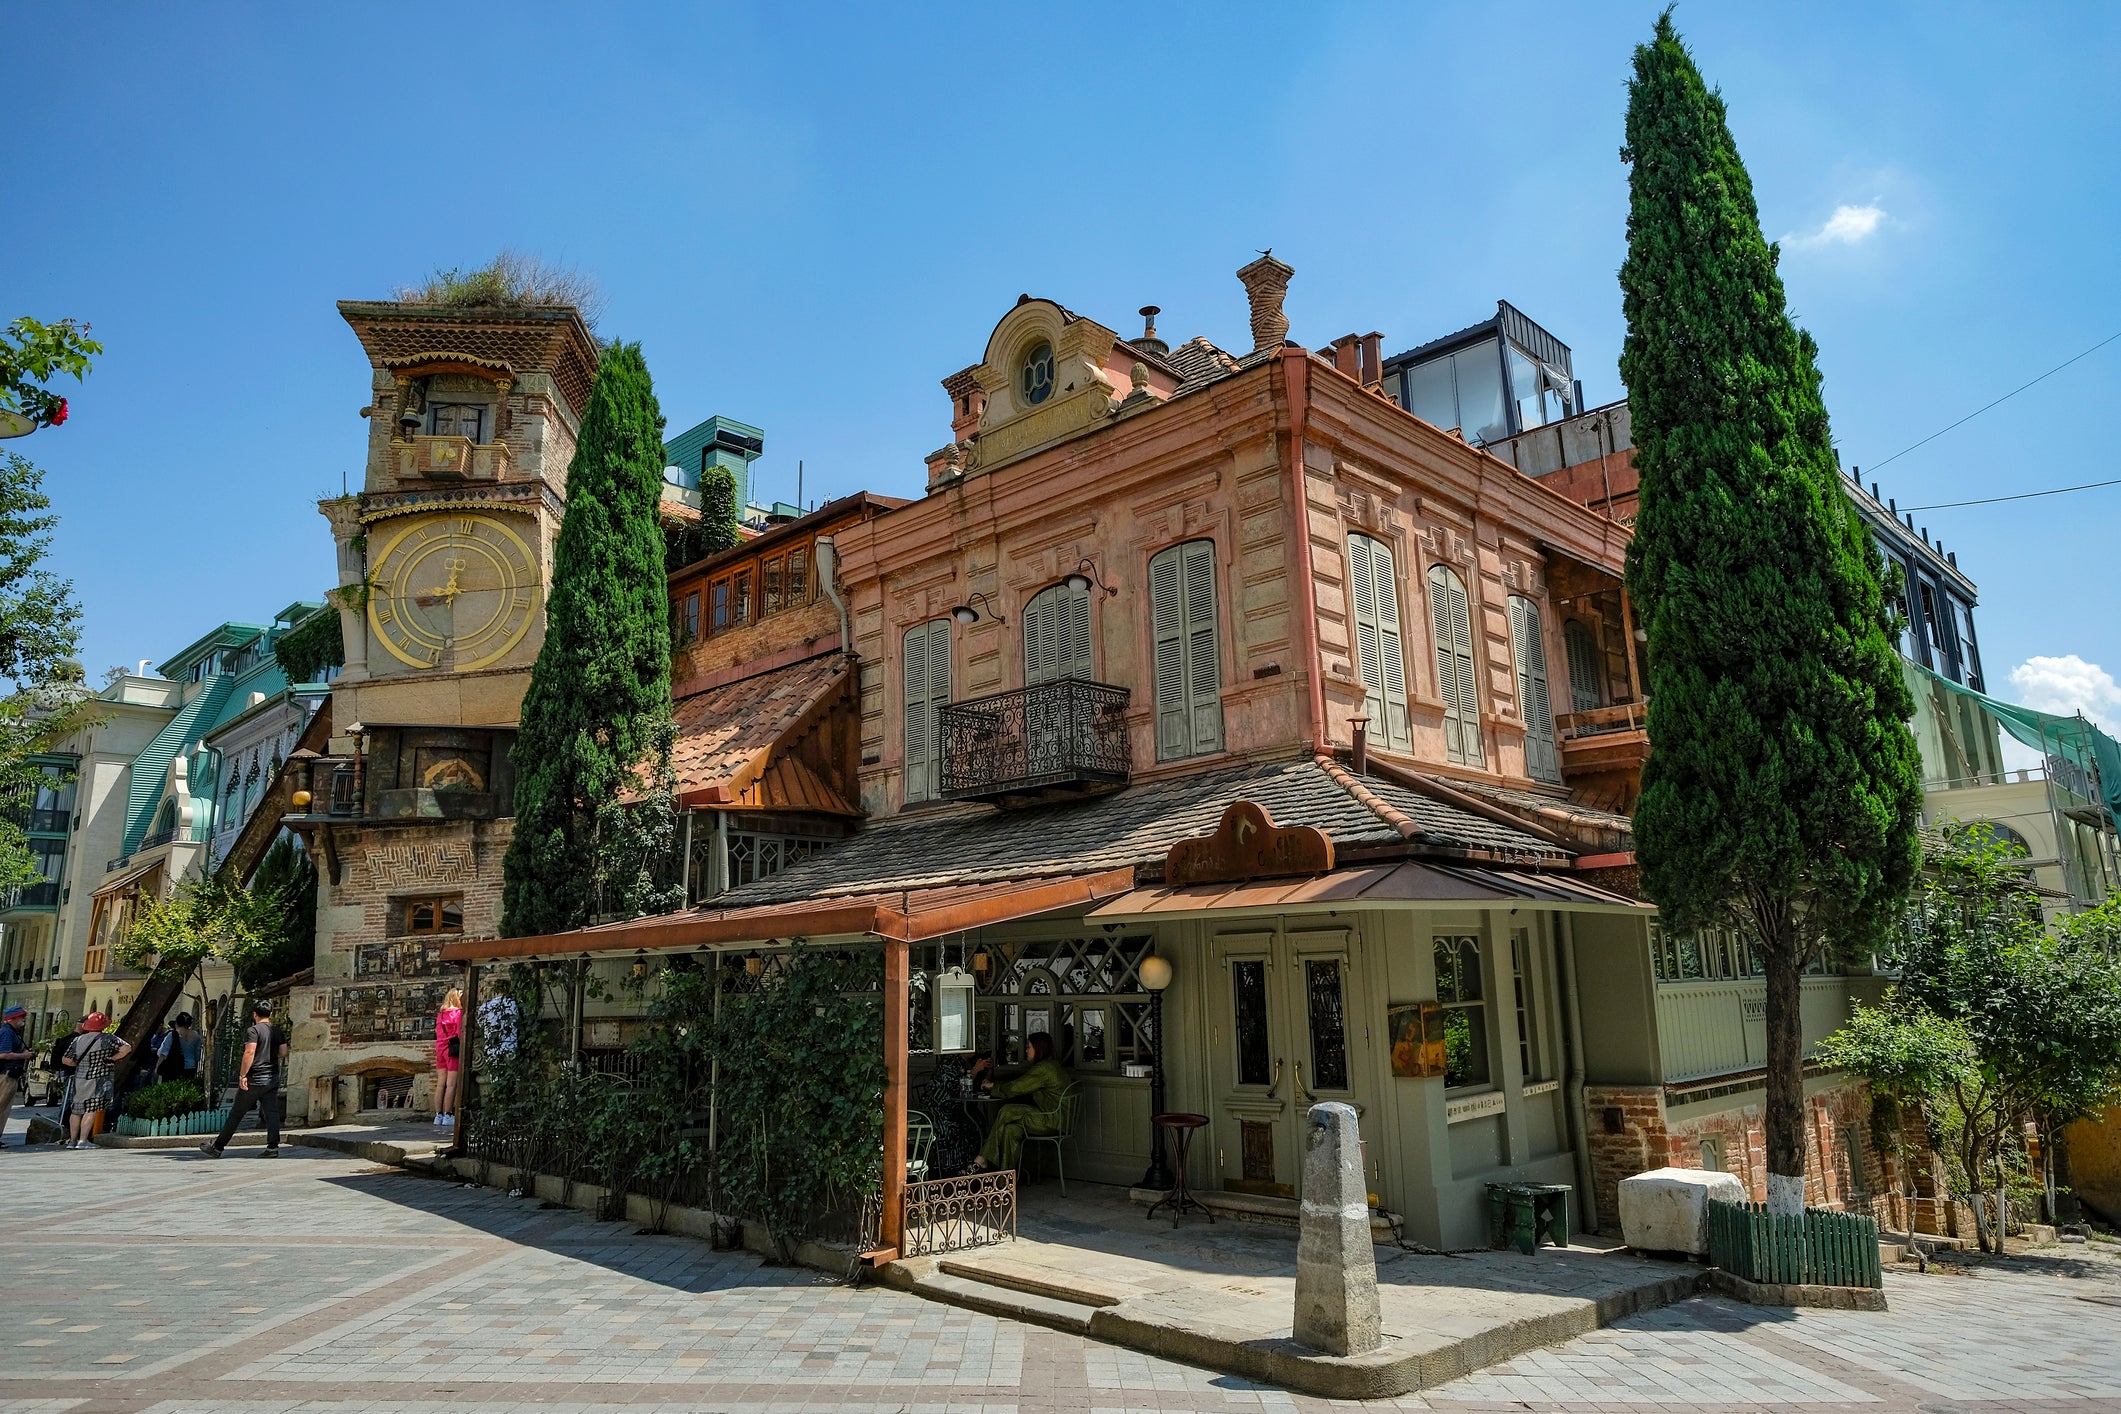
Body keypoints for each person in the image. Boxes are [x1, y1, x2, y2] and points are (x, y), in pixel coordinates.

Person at [966, 1032, 1070, 1176]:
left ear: (1039, 1049)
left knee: (1007, 1110)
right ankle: (1004, 1182)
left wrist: (992, 1086)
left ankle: (982, 1158)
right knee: (1010, 1130)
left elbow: (1016, 1087)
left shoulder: (1044, 1069)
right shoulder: (1050, 1065)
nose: (1026, 1050)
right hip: (1055, 1118)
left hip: (1052, 1119)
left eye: (1029, 1047)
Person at [199, 1001, 287, 1158]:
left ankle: (218, 1147)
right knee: (272, 1112)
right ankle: (273, 1147)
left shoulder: (253, 1030)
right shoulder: (277, 1030)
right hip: (272, 1076)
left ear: (255, 1014)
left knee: (237, 1113)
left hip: (255, 1076)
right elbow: (283, 1051)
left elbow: (249, 1052)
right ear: (270, 1013)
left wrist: (243, 1075)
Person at [61, 1012, 130, 1149]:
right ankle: (83, 1140)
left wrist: (80, 1065)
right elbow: (126, 1048)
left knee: (76, 1110)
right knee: (91, 1109)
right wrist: (113, 1058)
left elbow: (66, 1059)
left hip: (79, 1078)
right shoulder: (108, 1038)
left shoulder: (77, 1040)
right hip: (98, 1077)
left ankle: (72, 1140)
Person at [0, 1004, 31, 1146]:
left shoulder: (11, 1031)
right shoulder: (7, 1032)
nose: (24, 1019)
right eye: (21, 1016)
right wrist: (23, 1055)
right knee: (2, 1106)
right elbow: (4, 1054)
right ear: (13, 1018)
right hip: (6, 1075)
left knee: (4, 1107)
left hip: (9, 1074)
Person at [432, 988, 464, 1128]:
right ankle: (448, 1114)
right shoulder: (458, 1013)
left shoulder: (441, 1015)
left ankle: (438, 1115)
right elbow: (459, 1033)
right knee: (451, 1084)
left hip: (440, 1048)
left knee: (440, 1084)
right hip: (452, 1049)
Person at [157, 1013, 202, 1085]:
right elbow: (197, 1054)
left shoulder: (172, 1034)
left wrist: (157, 1067)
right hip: (191, 1066)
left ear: (177, 1023)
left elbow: (164, 1053)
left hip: (174, 1067)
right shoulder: (196, 1036)